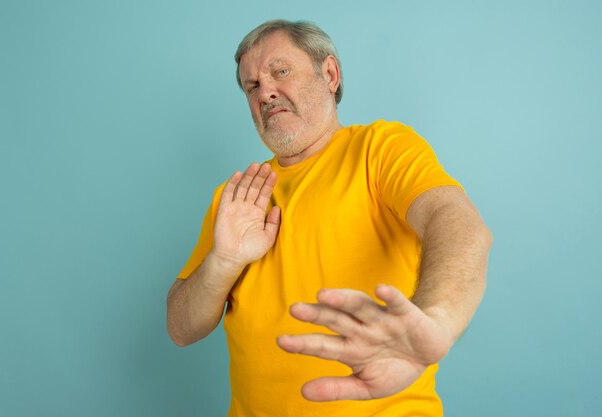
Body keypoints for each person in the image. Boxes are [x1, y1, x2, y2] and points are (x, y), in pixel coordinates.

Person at [167, 19, 492, 417]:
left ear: (330, 74)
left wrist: (435, 322)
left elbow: (457, 223)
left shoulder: (379, 149)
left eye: (280, 71)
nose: (265, 92)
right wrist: (224, 261)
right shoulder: (238, 196)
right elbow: (181, 330)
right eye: (251, 86)